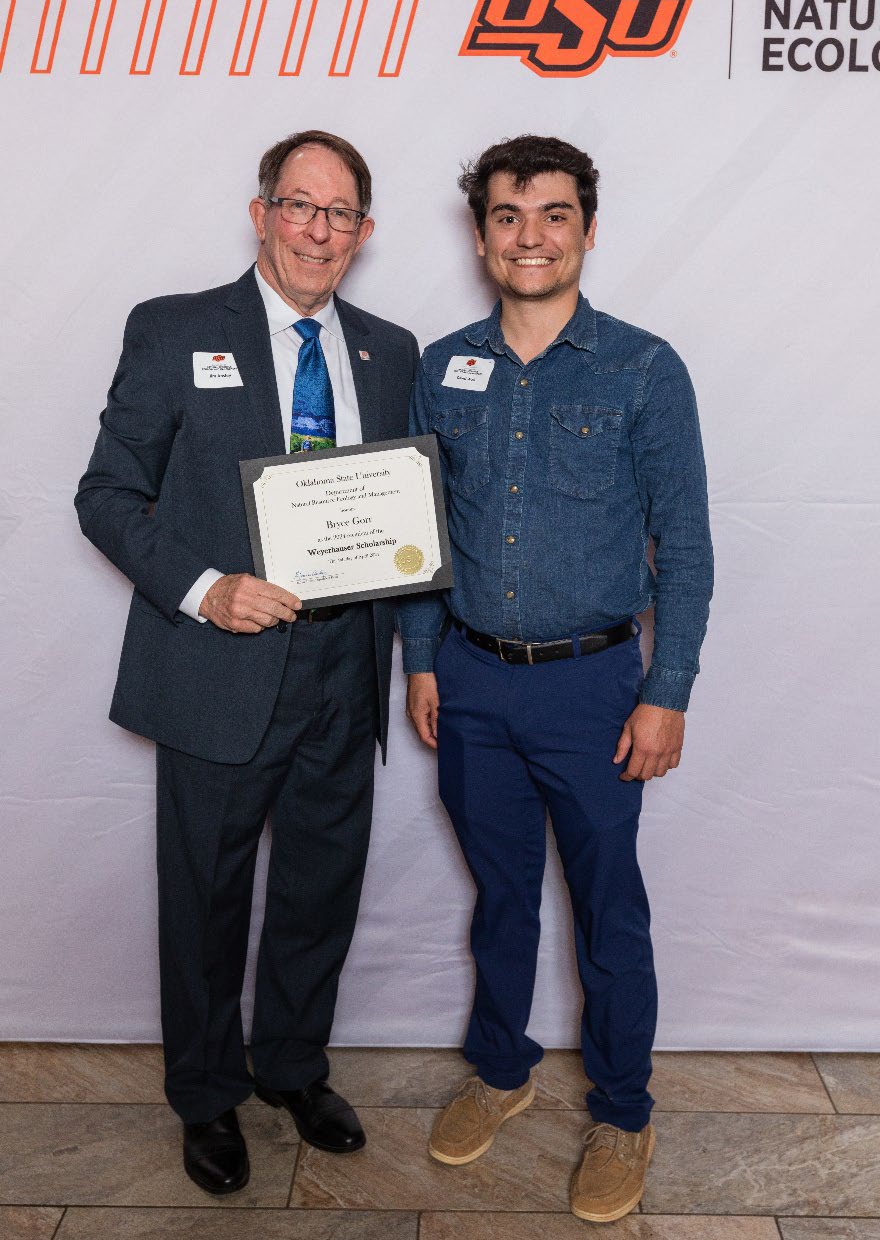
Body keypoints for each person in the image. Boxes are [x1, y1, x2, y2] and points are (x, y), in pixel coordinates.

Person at [76, 131, 418, 1194]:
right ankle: (208, 1094)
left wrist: (413, 657)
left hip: (342, 667)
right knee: (207, 898)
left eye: (341, 213)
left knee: (321, 888)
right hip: (219, 665)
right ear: (261, 211)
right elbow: (106, 496)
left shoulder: (389, 349)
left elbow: (406, 514)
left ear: (364, 232)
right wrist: (205, 589)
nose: (319, 230)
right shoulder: (176, 331)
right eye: (299, 205)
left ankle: (292, 1068)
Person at [401, 135, 713, 1224]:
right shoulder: (440, 367)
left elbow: (688, 545)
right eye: (504, 215)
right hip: (472, 685)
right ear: (480, 231)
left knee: (606, 909)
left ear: (587, 226)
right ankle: (501, 1070)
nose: (527, 235)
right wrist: (421, 661)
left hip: (593, 692)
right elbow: (418, 533)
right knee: (499, 899)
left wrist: (663, 687)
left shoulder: (641, 367)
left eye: (550, 214)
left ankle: (623, 1113)